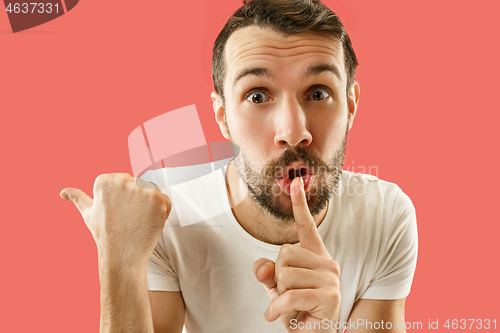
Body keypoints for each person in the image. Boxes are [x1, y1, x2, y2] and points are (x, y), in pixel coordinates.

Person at [60, 0, 418, 332]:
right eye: (257, 96)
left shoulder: (385, 216)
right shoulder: (166, 222)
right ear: (223, 116)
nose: (293, 133)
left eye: (318, 93)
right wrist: (120, 261)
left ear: (351, 105)